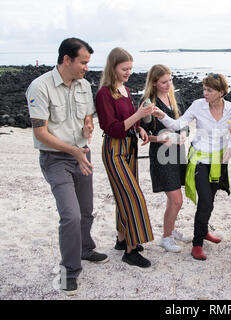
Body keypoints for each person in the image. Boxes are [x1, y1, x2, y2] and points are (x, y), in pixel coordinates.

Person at [26, 38, 109, 296]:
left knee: (86, 211)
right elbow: (40, 132)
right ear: (66, 60)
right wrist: (73, 149)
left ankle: (85, 248)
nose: (86, 67)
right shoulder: (39, 87)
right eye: (83, 62)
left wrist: (88, 126)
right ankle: (68, 271)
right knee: (70, 216)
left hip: (82, 154)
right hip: (55, 159)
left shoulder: (84, 85)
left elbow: (87, 115)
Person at [152, 73, 231, 260]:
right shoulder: (198, 105)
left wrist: (230, 147)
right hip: (198, 160)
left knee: (210, 201)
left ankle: (204, 230)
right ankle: (197, 244)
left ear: (221, 92)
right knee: (205, 200)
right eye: (204, 89)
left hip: (219, 162)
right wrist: (162, 115)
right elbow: (177, 124)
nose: (205, 93)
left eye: (210, 90)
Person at [95, 47, 154, 269]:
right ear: (113, 68)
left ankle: (121, 240)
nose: (129, 72)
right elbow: (112, 128)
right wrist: (138, 115)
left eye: (131, 68)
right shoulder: (103, 93)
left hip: (130, 147)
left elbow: (129, 120)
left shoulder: (125, 89)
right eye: (124, 68)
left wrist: (140, 128)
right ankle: (131, 250)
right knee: (133, 197)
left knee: (124, 195)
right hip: (114, 149)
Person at [140, 64, 191, 253]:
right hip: (161, 155)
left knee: (175, 199)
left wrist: (184, 134)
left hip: (179, 152)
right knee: (176, 199)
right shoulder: (147, 102)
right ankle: (166, 238)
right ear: (154, 83)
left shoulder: (174, 97)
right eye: (163, 82)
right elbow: (143, 133)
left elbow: (184, 122)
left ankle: (170, 230)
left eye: (170, 80)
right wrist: (162, 138)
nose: (168, 84)